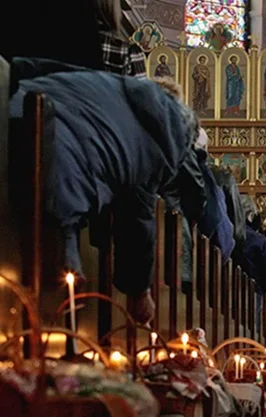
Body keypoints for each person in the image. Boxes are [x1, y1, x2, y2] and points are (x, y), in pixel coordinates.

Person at [9, 62, 206, 324]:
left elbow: (26, 66)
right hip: (54, 172)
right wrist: (138, 291)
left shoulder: (109, 82)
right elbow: (137, 219)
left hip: (11, 118)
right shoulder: (166, 139)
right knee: (56, 295)